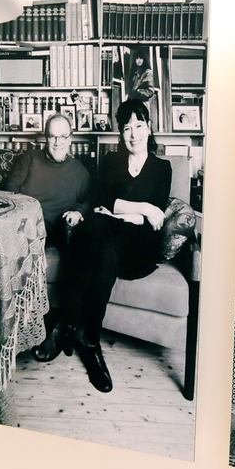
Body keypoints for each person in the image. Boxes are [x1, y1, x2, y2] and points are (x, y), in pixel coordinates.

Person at [47, 99, 171, 392]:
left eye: (139, 125)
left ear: (149, 127)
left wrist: (122, 211)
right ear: (120, 132)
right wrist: (140, 208)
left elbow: (151, 219)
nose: (133, 134)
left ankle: (65, 325)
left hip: (139, 250)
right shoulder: (112, 161)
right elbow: (106, 200)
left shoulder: (162, 168)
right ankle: (91, 341)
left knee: (92, 227)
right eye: (127, 128)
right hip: (111, 243)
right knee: (105, 253)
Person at [2, 113, 91, 363]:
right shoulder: (29, 159)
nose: (58, 142)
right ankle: (15, 331)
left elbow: (89, 200)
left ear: (70, 139)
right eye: (52, 136)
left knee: (81, 242)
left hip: (59, 231)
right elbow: (9, 191)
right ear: (45, 138)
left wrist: (78, 212)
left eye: (63, 137)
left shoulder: (79, 171)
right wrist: (27, 218)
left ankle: (58, 327)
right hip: (26, 229)